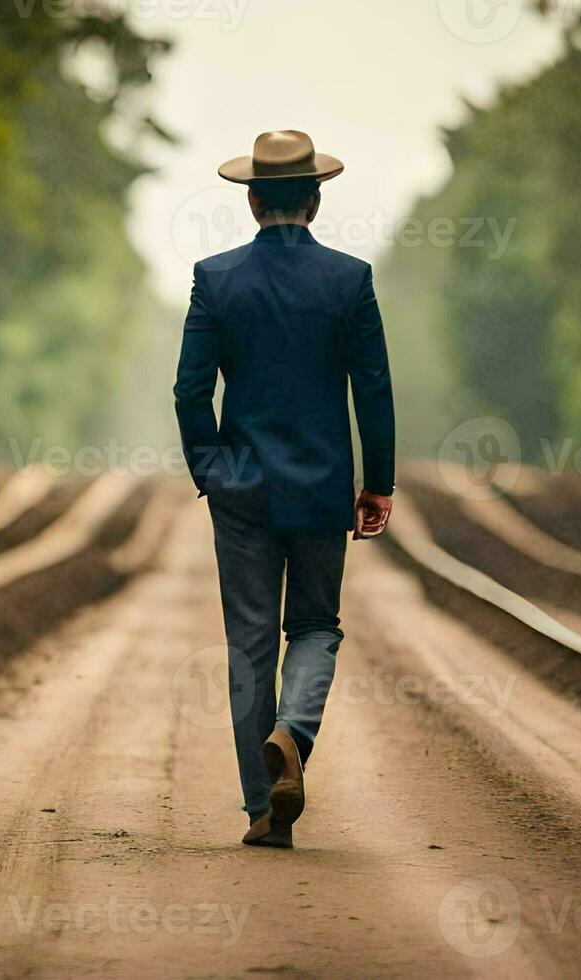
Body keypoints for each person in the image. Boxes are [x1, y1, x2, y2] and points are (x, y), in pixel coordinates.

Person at [173, 130, 395, 848]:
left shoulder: (216, 277)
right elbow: (374, 389)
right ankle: (293, 735)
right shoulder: (350, 280)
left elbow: (188, 391)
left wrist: (210, 468)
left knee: (248, 646)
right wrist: (378, 482)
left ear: (251, 200)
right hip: (323, 487)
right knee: (315, 627)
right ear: (316, 198)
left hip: (241, 490)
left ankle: (264, 811)